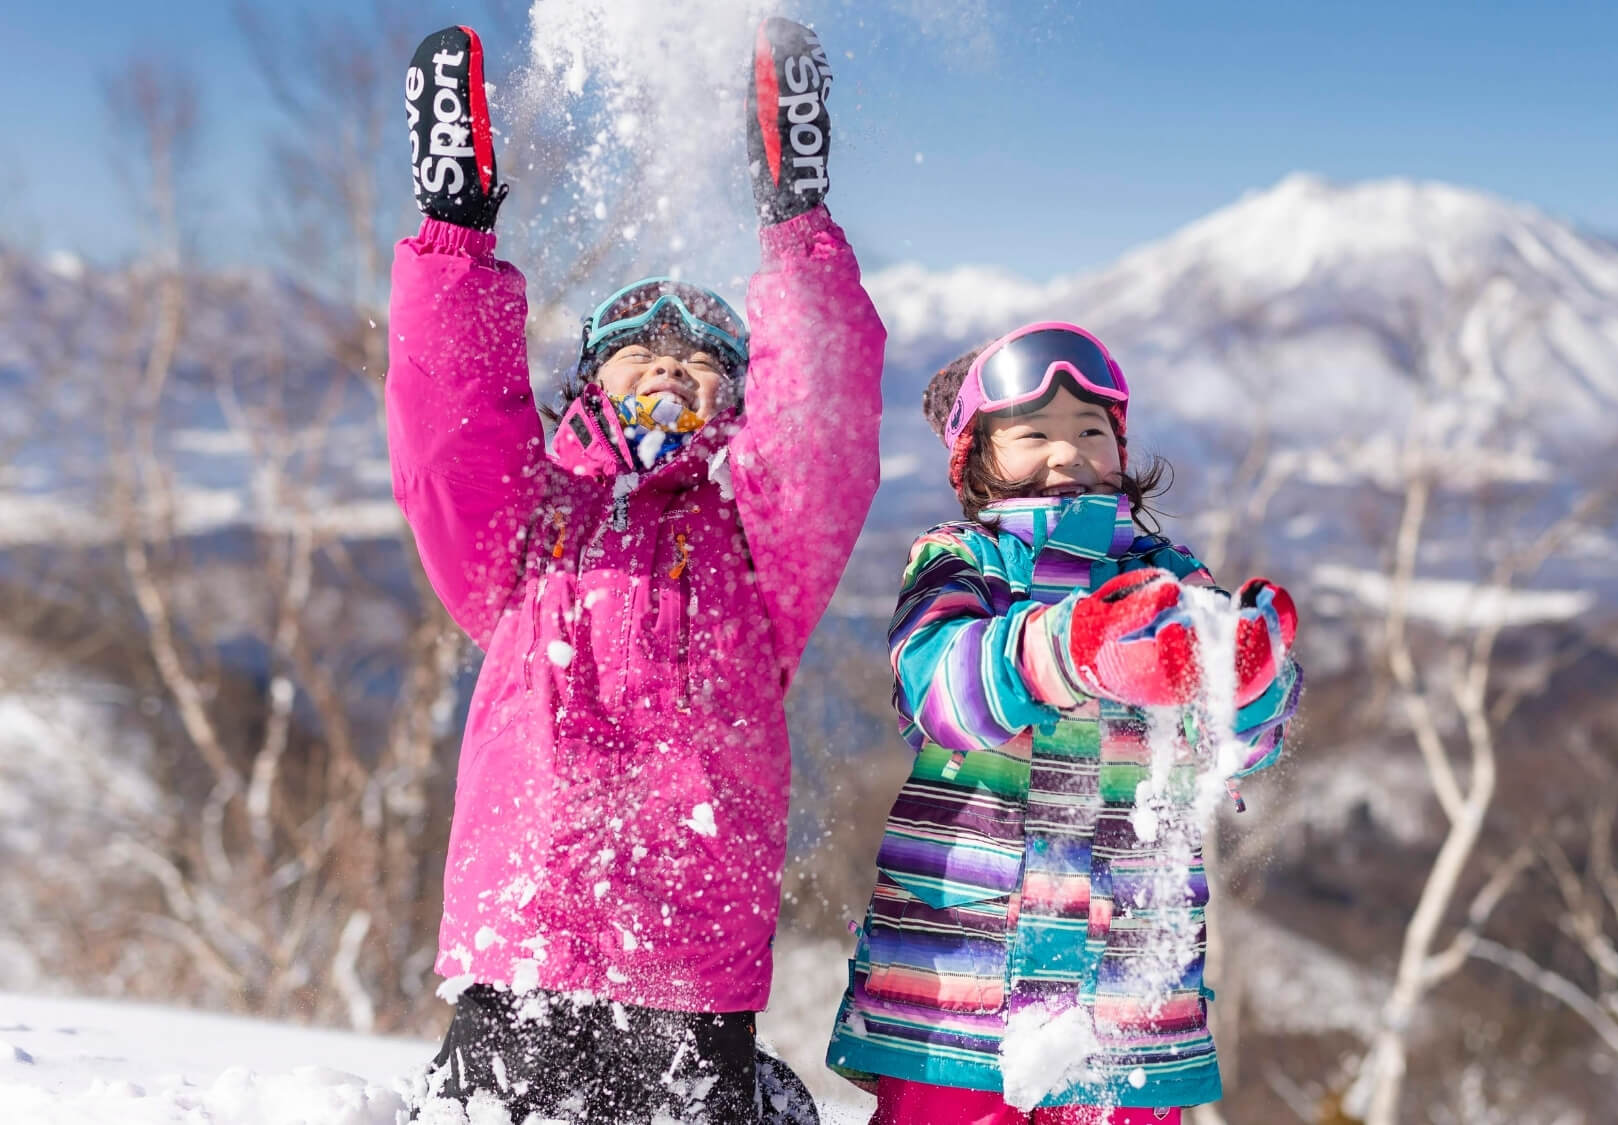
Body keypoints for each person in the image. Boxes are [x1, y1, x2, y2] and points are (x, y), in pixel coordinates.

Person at [387, 18, 881, 1124]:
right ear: (587, 388)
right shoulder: (526, 530)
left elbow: (820, 430)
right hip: (523, 936)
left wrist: (796, 225)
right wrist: (453, 233)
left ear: (735, 400)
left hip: (691, 959)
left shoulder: (757, 547)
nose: (669, 353)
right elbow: (448, 430)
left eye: (704, 352)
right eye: (632, 343)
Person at [825, 323, 1302, 1123]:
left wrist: (1246, 690)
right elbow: (938, 686)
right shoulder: (958, 559)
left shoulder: (1172, 577)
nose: (1067, 450)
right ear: (975, 457)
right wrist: (1073, 649)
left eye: (1091, 430)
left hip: (1125, 994)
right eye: (1034, 432)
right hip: (960, 987)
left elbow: (1238, 751)